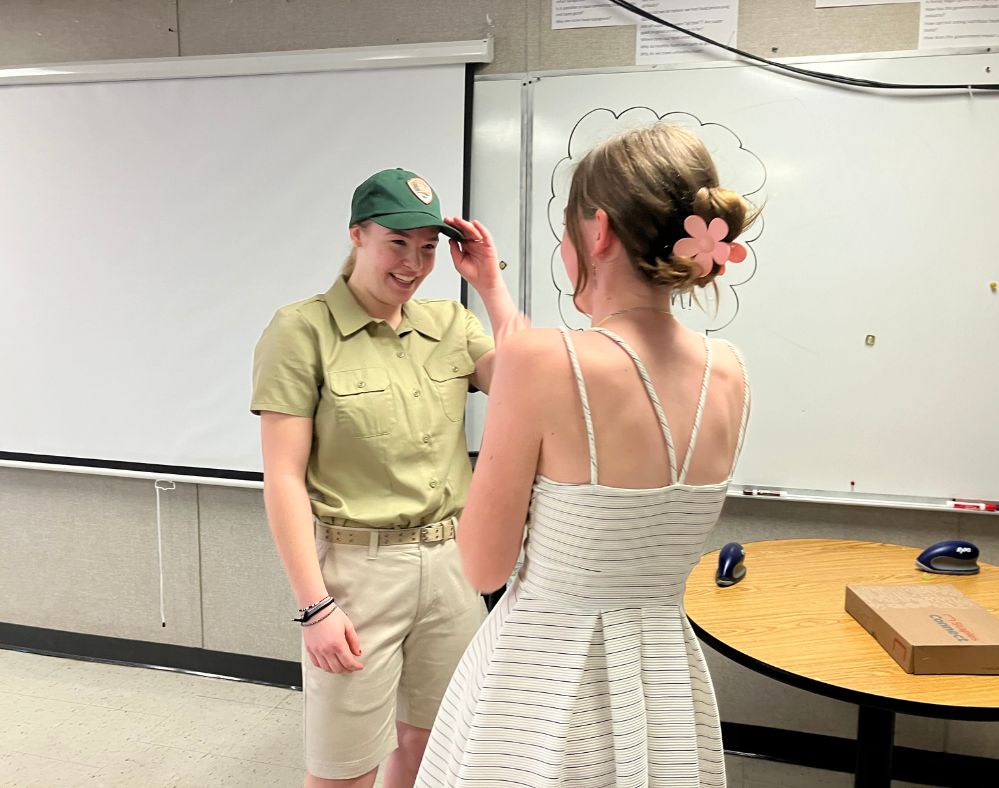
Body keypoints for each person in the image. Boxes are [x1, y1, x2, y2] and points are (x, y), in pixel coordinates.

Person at [415, 124, 756, 787]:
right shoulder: (730, 370)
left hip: (543, 681)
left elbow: (484, 567)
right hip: (662, 676)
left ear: (596, 233)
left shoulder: (540, 361)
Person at [251, 168, 521, 788]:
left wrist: (490, 284)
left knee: (435, 745)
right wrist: (314, 606)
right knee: (344, 768)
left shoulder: (450, 323)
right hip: (357, 571)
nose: (414, 262)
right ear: (357, 236)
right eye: (397, 242)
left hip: (453, 565)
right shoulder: (302, 330)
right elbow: (284, 478)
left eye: (428, 247)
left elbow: (527, 383)